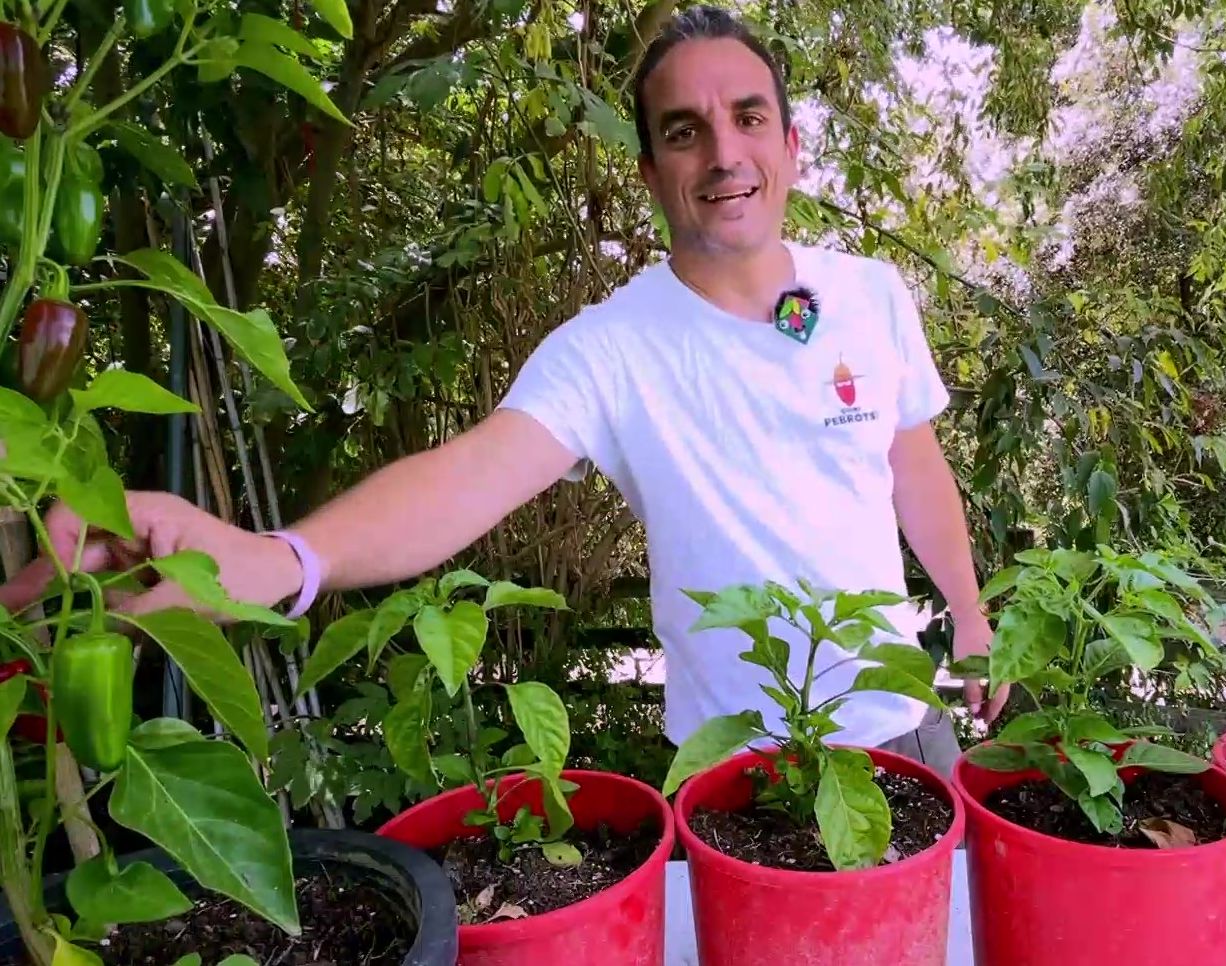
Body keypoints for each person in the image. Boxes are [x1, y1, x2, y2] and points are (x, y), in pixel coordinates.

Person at [0, 4, 1007, 777]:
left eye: (748, 118)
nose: (723, 153)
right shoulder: (611, 349)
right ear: (650, 172)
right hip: (731, 769)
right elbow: (466, 475)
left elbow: (911, 465)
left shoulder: (869, 295)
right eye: (684, 131)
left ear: (790, 145)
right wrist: (280, 558)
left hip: (902, 731)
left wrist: (967, 615)